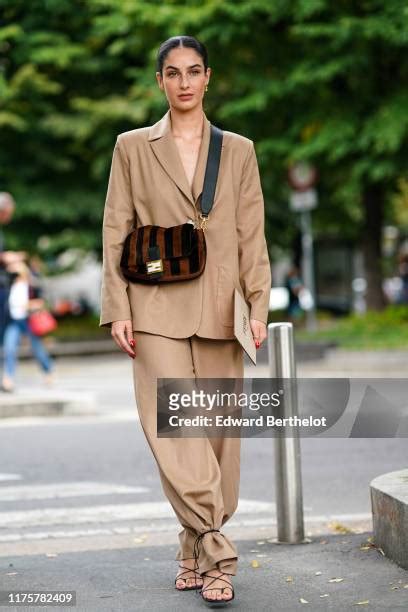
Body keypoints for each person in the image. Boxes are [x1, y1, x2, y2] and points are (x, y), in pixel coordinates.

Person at [100, 35, 271, 606]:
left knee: (220, 438)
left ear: (208, 78)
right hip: (154, 307)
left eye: (193, 71)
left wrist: (259, 307)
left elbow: (252, 236)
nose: (184, 83)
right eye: (172, 73)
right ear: (160, 82)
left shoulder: (239, 150)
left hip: (225, 308)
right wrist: (117, 307)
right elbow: (115, 228)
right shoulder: (132, 147)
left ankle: (191, 545)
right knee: (175, 431)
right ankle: (220, 551)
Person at [1, 260, 54, 392]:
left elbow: (41, 302)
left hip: (28, 321)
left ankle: (48, 370)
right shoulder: (8, 286)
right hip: (13, 321)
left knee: (38, 349)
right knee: (10, 349)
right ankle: (8, 378)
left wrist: (28, 305)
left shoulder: (32, 286)